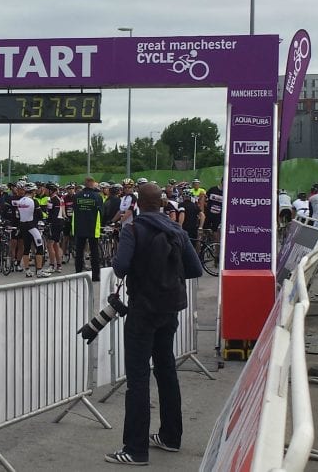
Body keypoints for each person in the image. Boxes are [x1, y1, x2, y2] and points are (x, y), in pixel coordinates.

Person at [106, 183, 203, 465]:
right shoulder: (176, 230)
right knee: (166, 370)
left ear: (137, 203)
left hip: (142, 310)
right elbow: (195, 269)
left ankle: (135, 449)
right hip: (169, 309)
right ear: (161, 203)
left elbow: (120, 267)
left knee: (138, 379)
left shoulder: (133, 229)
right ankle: (171, 437)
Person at [73, 176, 102, 280]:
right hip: (93, 227)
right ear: (93, 184)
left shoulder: (77, 196)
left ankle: (78, 273)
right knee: (94, 252)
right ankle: (95, 276)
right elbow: (101, 212)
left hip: (79, 226)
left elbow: (74, 209)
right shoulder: (97, 196)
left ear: (85, 183)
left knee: (79, 251)